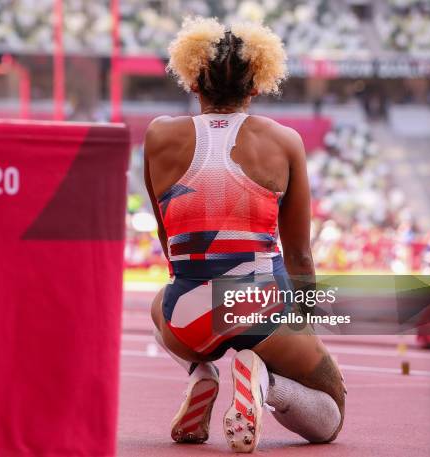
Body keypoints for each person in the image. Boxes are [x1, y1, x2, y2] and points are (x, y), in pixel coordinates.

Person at [143, 18, 346, 453]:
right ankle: (264, 381)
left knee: (158, 304)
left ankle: (201, 376)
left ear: (192, 80)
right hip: (258, 307)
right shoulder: (284, 141)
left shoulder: (157, 136)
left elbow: (169, 241)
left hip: (186, 314)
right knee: (331, 414)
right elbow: (300, 257)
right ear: (256, 85)